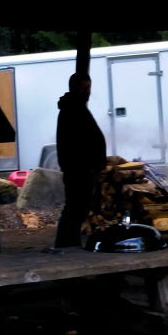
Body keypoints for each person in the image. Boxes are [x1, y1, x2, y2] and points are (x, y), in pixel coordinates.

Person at [53, 72, 107, 248]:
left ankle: (69, 244)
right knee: (74, 209)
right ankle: (66, 245)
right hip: (78, 170)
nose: (87, 91)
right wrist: (86, 165)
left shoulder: (77, 108)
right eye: (83, 87)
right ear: (74, 87)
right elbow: (76, 142)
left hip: (83, 169)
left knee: (78, 210)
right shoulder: (72, 109)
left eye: (88, 87)